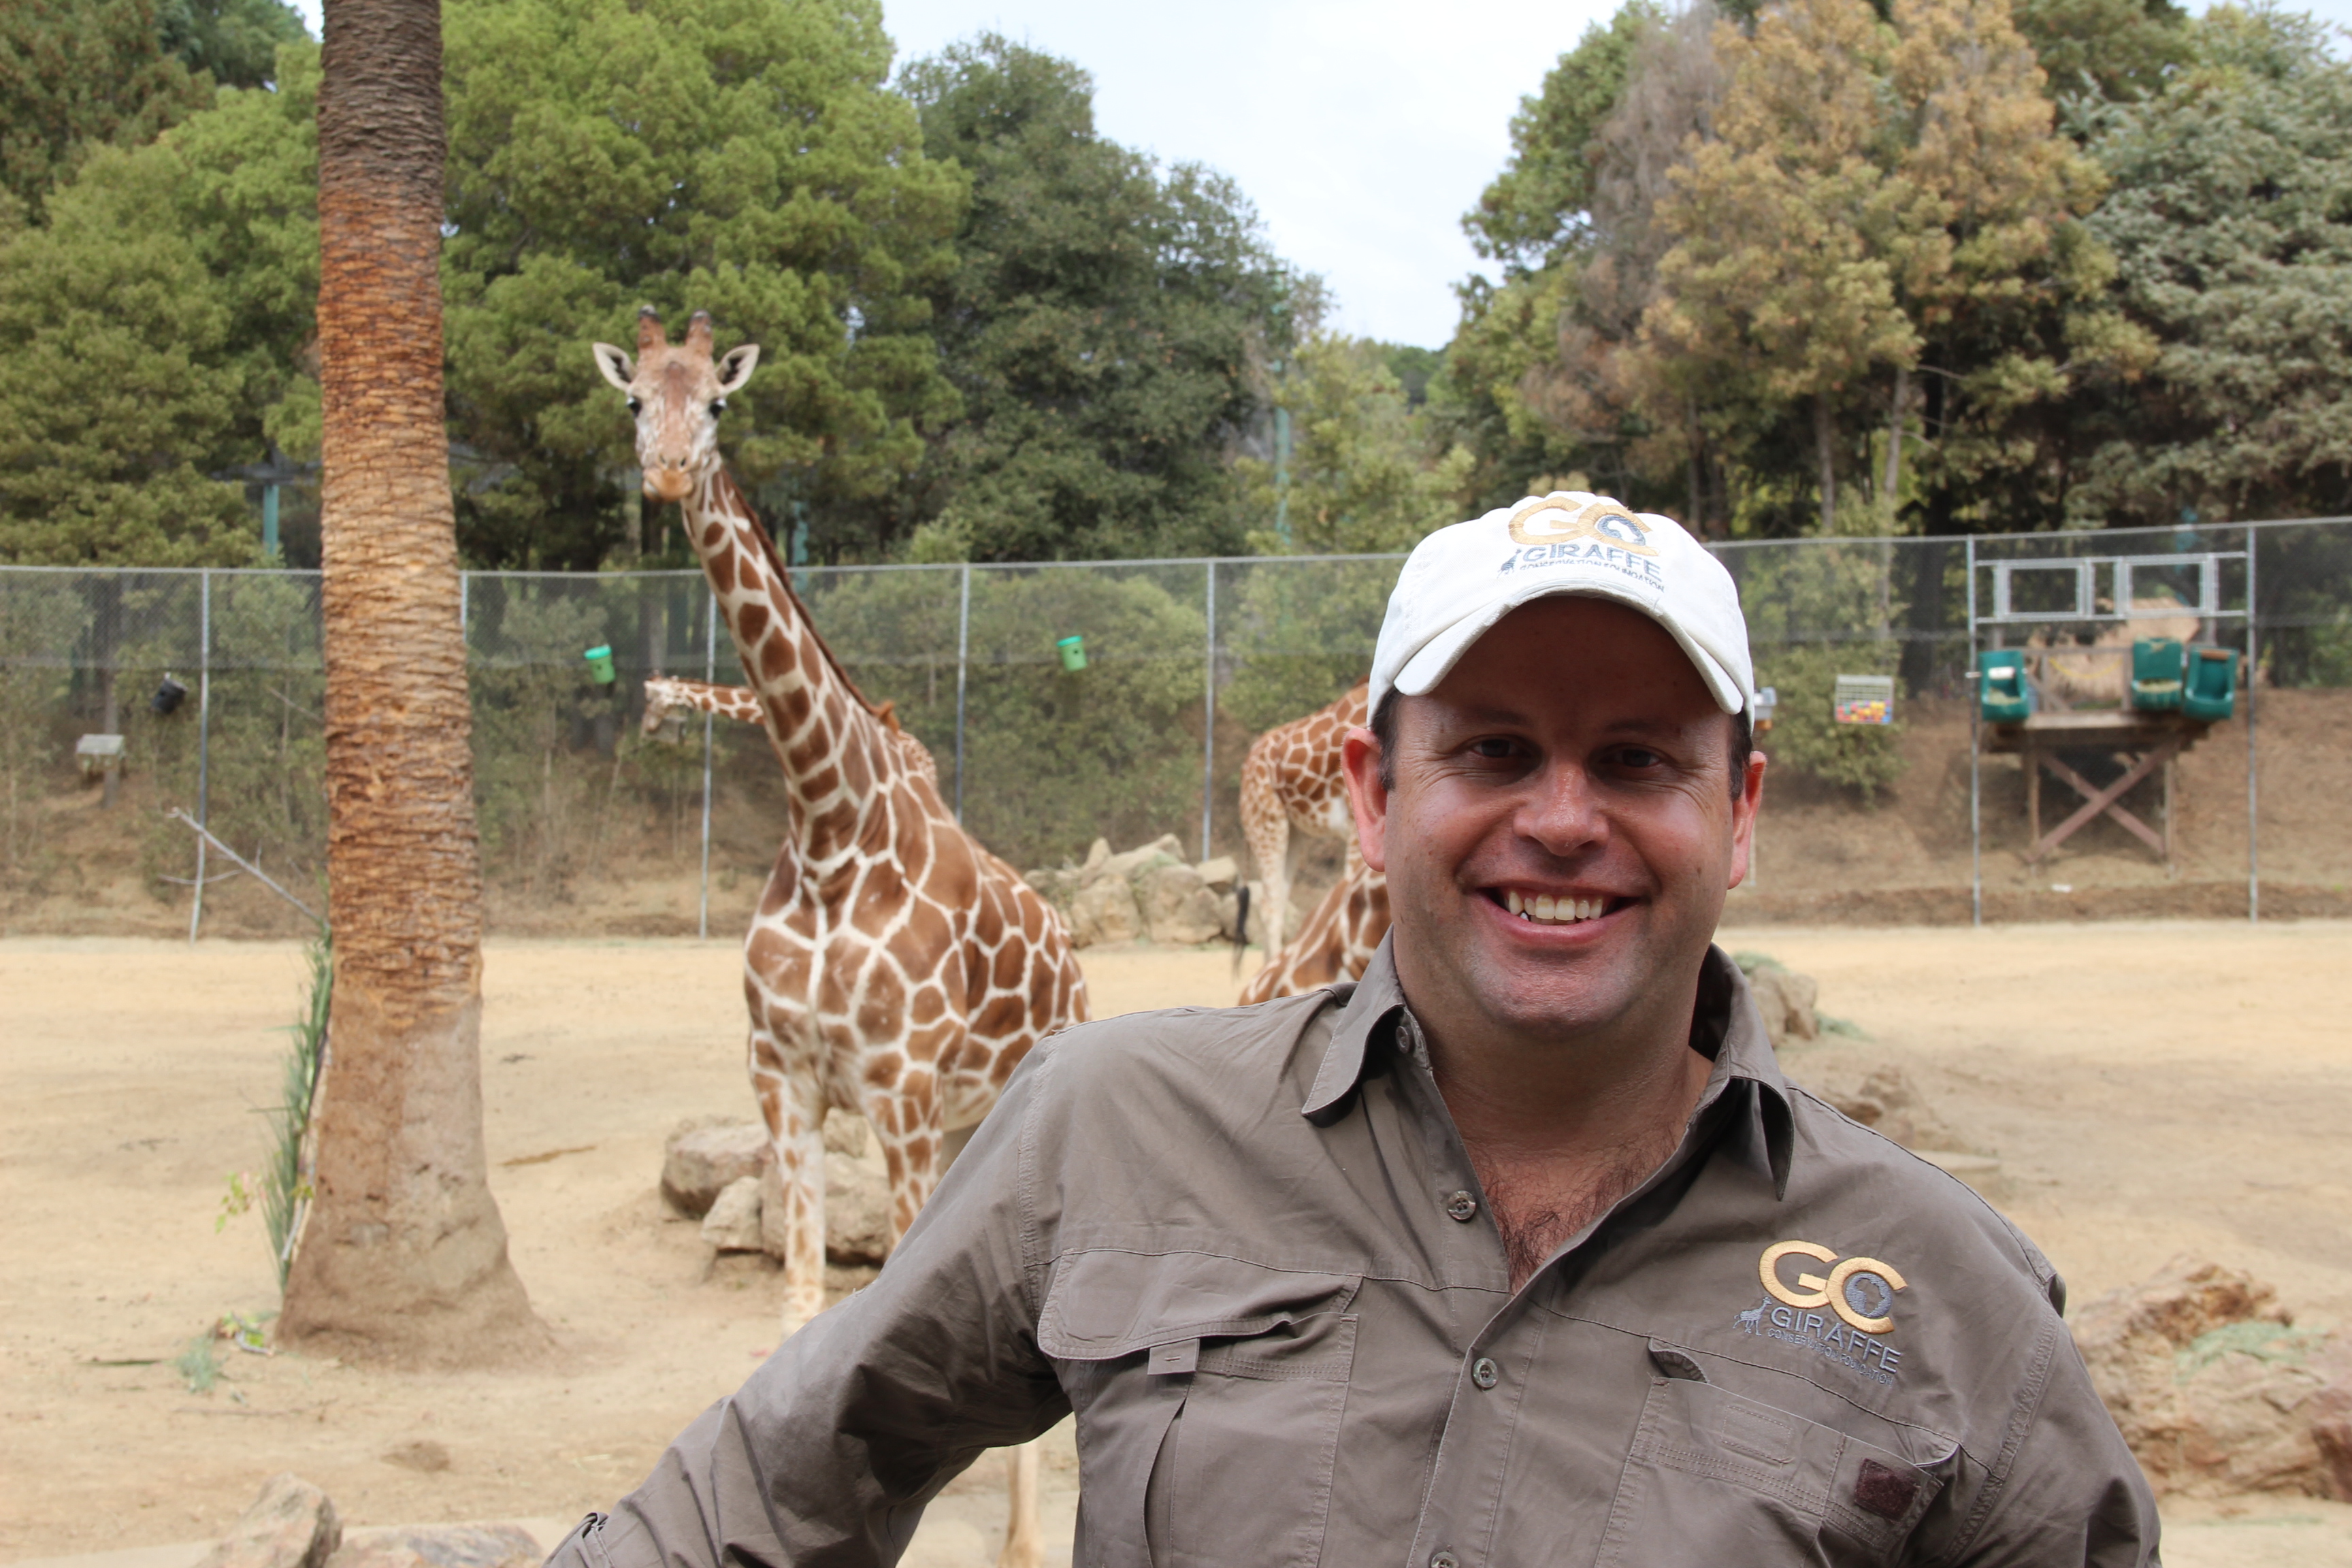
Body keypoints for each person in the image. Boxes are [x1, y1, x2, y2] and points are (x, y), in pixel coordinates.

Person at [549, 493, 2159, 1567]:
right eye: (1497, 749)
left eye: (1641, 761)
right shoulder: (1116, 1123)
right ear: (1376, 800)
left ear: (1738, 814)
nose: (1563, 819)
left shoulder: (1942, 1290)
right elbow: (759, 1495)